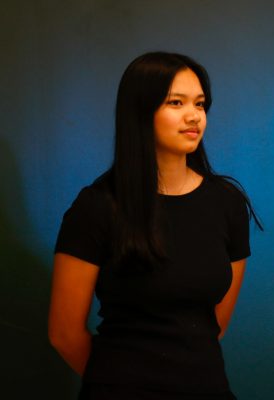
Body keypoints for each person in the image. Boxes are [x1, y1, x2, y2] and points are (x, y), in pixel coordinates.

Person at [48, 51, 260, 399]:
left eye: (200, 104)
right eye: (176, 102)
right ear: (141, 111)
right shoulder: (97, 206)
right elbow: (63, 333)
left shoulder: (227, 202)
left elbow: (215, 324)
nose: (194, 116)